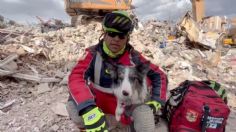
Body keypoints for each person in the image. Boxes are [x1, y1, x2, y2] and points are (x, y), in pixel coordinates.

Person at [66, 11, 168, 132]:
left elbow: (159, 75)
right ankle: (96, 125)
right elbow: (76, 77)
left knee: (145, 121)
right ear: (104, 34)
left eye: (121, 36)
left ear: (127, 38)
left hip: (127, 106)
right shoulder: (92, 55)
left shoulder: (135, 57)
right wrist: (88, 108)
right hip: (98, 104)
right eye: (111, 34)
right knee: (73, 107)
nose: (116, 39)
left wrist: (157, 100)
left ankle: (126, 128)